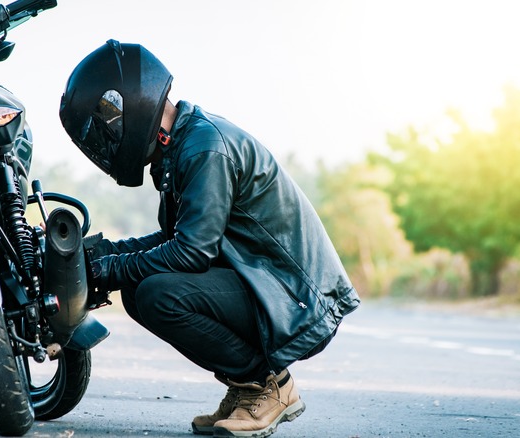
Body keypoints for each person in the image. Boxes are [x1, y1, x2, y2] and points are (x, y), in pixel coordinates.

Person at [58, 39, 360, 438]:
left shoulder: (204, 148)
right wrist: (101, 253)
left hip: (293, 298)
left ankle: (269, 387)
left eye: (105, 120)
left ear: (128, 103)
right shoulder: (183, 144)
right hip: (263, 284)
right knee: (138, 286)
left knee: (157, 294)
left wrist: (109, 267)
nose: (104, 136)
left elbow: (190, 253)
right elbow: (175, 241)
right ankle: (245, 389)